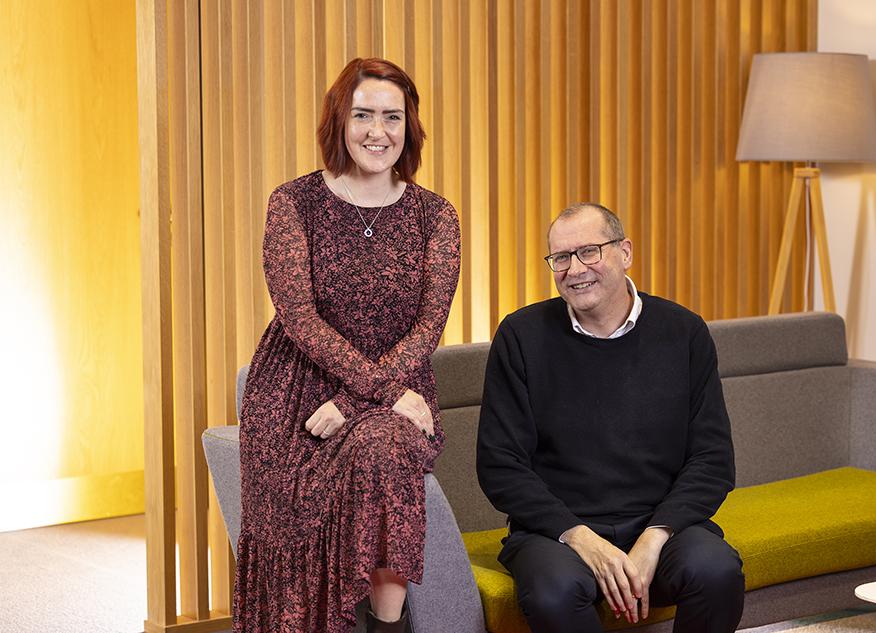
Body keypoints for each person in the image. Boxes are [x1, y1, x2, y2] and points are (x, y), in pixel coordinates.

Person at [233, 58, 460, 633]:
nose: (377, 132)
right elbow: (300, 318)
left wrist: (361, 403)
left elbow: (429, 326)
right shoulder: (294, 203)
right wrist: (372, 393)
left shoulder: (436, 216)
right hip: (296, 396)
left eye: (392, 117)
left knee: (383, 447)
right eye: (362, 115)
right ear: (340, 120)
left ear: (409, 127)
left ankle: (388, 626)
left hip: (395, 393)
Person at [476, 203, 744, 633]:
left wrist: (654, 538)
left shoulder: (684, 332)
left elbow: (712, 459)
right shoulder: (521, 336)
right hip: (558, 533)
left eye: (589, 251)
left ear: (625, 252)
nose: (574, 269)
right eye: (560, 258)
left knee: (716, 570)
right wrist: (583, 539)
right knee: (554, 592)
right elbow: (500, 465)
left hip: (660, 525)